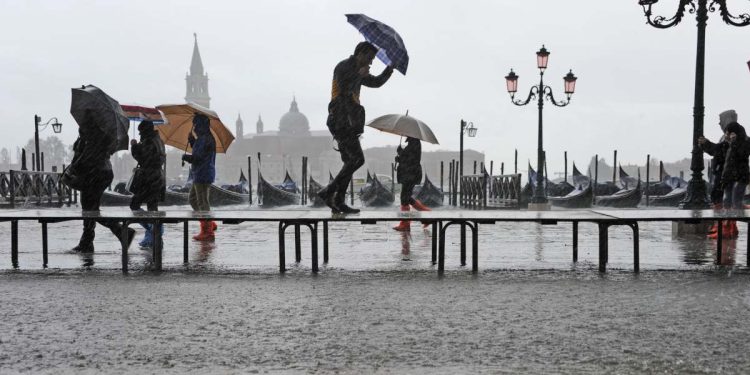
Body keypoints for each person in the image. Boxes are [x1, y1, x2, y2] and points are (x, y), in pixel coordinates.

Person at [317, 41, 395, 214]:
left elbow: (376, 82)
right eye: (370, 57)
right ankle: (329, 191)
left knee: (348, 162)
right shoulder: (343, 66)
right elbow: (344, 89)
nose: (371, 62)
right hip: (340, 120)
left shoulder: (359, 70)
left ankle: (338, 200)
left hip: (349, 121)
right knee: (357, 160)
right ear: (360, 53)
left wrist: (389, 69)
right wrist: (359, 75)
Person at [70, 116, 135, 253]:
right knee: (90, 208)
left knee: (90, 211)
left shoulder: (90, 136)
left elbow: (85, 158)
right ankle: (87, 242)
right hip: (102, 173)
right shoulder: (102, 135)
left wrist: (74, 166)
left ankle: (122, 232)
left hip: (93, 174)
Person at [699, 110, 738, 238]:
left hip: (724, 174)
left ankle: (724, 228)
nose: (719, 123)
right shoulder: (731, 135)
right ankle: (728, 227)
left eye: (721, 120)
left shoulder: (732, 136)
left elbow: (720, 151)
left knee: (719, 198)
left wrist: (706, 144)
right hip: (726, 173)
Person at [129, 120, 166, 248]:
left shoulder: (149, 141)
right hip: (157, 177)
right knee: (152, 208)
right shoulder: (159, 140)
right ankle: (154, 238)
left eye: (141, 132)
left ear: (145, 131)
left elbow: (144, 158)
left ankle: (154, 231)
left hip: (149, 179)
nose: (139, 134)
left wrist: (134, 147)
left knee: (134, 204)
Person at [181, 114, 217, 241]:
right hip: (200, 173)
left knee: (202, 202)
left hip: (203, 173)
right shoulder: (203, 138)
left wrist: (186, 157)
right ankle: (208, 223)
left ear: (201, 125)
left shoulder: (205, 139)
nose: (194, 127)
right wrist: (192, 141)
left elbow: (198, 157)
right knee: (193, 199)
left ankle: (207, 231)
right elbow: (199, 152)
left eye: (196, 124)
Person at [393, 137, 431, 231]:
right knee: (406, 197)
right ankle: (426, 214)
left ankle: (405, 223)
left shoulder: (414, 143)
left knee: (404, 198)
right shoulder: (413, 143)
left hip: (410, 174)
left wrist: (400, 154)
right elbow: (408, 158)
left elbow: (410, 160)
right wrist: (400, 155)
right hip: (409, 174)